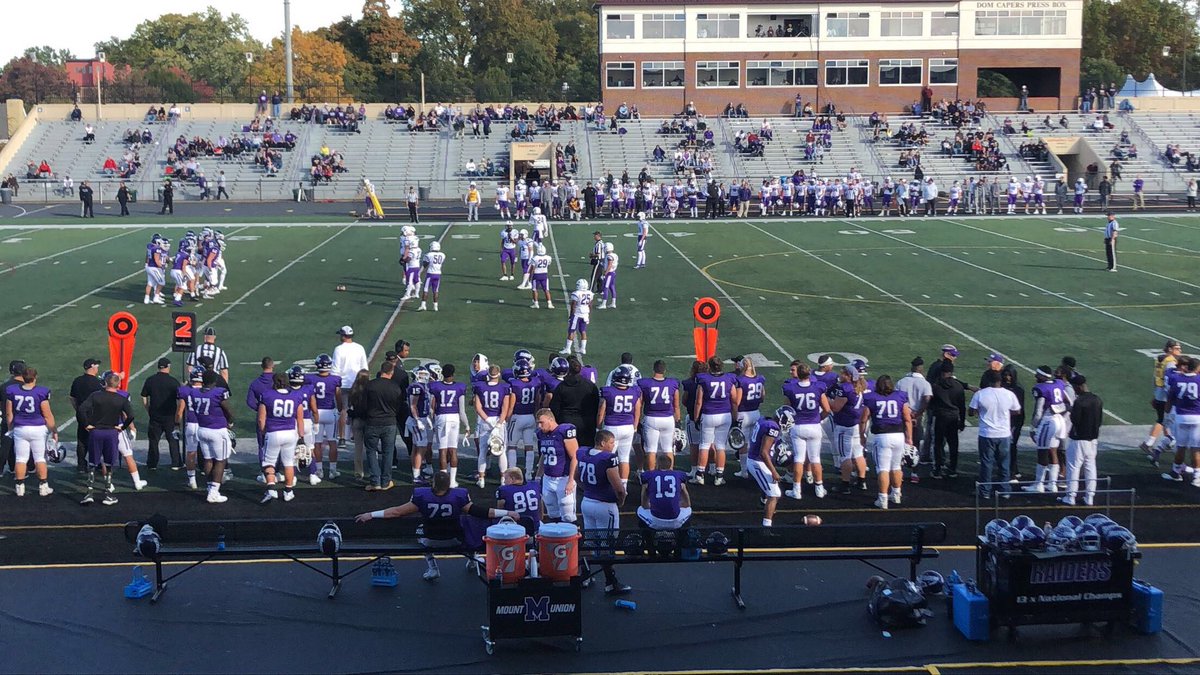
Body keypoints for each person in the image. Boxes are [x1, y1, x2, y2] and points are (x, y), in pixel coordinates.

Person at [355, 470, 470, 581]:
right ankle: (473, 559)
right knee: (469, 526)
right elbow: (477, 512)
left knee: (420, 530)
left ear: (433, 484)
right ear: (449, 485)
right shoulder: (459, 496)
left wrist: (371, 514)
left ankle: (433, 567)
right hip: (455, 540)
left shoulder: (423, 496)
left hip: (430, 540)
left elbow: (396, 512)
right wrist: (488, 512)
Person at [576, 429, 631, 595]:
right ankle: (610, 582)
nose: (613, 446)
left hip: (587, 503)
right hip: (604, 506)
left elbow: (577, 477)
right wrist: (620, 501)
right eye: (611, 443)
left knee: (590, 541)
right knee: (607, 545)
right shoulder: (607, 459)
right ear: (602, 443)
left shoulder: (584, 453)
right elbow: (619, 489)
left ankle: (585, 575)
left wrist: (588, 490)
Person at [76, 371, 137, 506]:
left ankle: (89, 493)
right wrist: (122, 427)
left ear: (105, 383)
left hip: (96, 432)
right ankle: (108, 494)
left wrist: (86, 424)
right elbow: (131, 415)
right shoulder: (121, 399)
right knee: (109, 463)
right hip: (111, 432)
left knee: (93, 463)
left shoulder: (95, 396)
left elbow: (81, 410)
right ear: (118, 384)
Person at [860, 375, 913, 510]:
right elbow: (907, 418)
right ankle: (896, 494)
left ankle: (883, 498)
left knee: (882, 468)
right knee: (896, 467)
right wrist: (909, 438)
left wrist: (862, 435)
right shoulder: (900, 396)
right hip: (898, 435)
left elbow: (864, 419)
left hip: (882, 436)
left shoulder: (871, 397)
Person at [780, 362, 831, 498]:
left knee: (798, 458)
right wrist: (817, 419)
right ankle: (819, 489)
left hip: (798, 426)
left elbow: (787, 410)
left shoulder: (790, 388)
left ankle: (796, 490)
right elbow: (827, 409)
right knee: (815, 458)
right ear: (809, 374)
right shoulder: (818, 387)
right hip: (814, 426)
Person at [4, 366, 57, 497]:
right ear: (35, 377)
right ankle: (43, 486)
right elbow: (47, 414)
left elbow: (9, 412)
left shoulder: (12, 390)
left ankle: (19, 487)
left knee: (21, 458)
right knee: (40, 458)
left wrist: (11, 428)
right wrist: (54, 430)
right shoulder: (41, 392)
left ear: (23, 377)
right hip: (37, 428)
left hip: (20, 428)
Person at [969, 371, 1021, 499]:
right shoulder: (1009, 394)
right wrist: (1004, 415)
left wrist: (981, 412)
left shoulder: (980, 394)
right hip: (1004, 433)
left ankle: (985, 491)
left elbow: (971, 412)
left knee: (987, 463)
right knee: (1004, 463)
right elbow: (1017, 410)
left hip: (987, 433)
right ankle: (1004, 491)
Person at [257, 371, 306, 503]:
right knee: (289, 463)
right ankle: (288, 491)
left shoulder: (267, 395)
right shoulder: (296, 396)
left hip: (273, 433)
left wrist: (263, 432)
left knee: (269, 462)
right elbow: (300, 419)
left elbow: (261, 419)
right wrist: (301, 436)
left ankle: (272, 489)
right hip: (290, 433)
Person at [186, 370, 235, 503]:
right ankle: (213, 492)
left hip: (202, 429)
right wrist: (230, 422)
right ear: (214, 381)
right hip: (217, 430)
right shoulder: (218, 392)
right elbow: (228, 410)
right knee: (220, 460)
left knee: (208, 460)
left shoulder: (194, 392)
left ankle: (210, 488)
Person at [692, 356, 739, 486]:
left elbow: (698, 401)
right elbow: (734, 401)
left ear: (710, 366)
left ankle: (700, 474)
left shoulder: (703, 379)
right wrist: (735, 418)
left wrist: (696, 417)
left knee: (705, 445)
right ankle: (719, 476)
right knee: (720, 446)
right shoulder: (729, 378)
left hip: (708, 415)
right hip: (725, 415)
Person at [1025, 366, 1070, 493]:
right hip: (1059, 421)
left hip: (1048, 421)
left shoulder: (1041, 389)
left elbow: (1039, 412)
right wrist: (1060, 412)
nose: (1035, 377)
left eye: (1038, 375)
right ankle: (1052, 484)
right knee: (1053, 451)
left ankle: (1038, 485)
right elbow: (1069, 404)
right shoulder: (1059, 384)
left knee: (1042, 452)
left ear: (1043, 376)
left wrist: (1033, 427)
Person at [361, 361, 404, 491]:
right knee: (388, 452)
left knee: (371, 451)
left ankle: (375, 481)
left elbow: (363, 405)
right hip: (389, 422)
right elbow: (399, 405)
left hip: (372, 422)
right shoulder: (395, 387)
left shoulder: (370, 385)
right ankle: (386, 481)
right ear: (391, 372)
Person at [597, 365, 641, 489]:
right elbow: (637, 409)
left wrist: (598, 426)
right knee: (624, 458)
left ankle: (605, 483)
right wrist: (635, 426)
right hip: (628, 427)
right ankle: (623, 486)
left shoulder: (608, 391)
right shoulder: (634, 391)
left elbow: (602, 411)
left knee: (606, 457)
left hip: (612, 427)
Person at [1061, 376, 1102, 506]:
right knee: (1090, 467)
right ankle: (1089, 497)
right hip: (1093, 439)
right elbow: (1099, 420)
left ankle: (1070, 496)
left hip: (1079, 440)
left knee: (1073, 468)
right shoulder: (1097, 399)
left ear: (1078, 387)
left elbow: (1075, 420)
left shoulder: (1079, 402)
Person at [535, 408, 579, 523]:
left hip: (563, 478)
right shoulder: (541, 434)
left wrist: (571, 480)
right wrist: (538, 476)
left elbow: (575, 456)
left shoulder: (563, 432)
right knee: (552, 513)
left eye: (541, 422)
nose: (539, 426)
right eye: (538, 423)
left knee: (568, 515)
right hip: (548, 478)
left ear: (550, 419)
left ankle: (572, 540)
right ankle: (556, 539)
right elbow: (544, 456)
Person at [742, 407, 784, 526]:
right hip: (758, 462)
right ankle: (766, 526)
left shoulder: (763, 420)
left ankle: (763, 501)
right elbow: (764, 453)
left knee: (768, 486)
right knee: (774, 494)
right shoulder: (773, 428)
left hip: (756, 460)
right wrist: (774, 471)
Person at [429, 363, 469, 487]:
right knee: (453, 450)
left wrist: (433, 420)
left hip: (441, 417)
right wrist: (467, 425)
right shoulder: (459, 387)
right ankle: (452, 481)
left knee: (442, 450)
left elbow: (431, 407)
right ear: (453, 374)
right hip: (454, 418)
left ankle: (442, 481)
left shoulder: (435, 386)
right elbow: (462, 411)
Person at [1143, 339, 1182, 462]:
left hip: (1159, 393)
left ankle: (1167, 441)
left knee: (1164, 420)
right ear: (1170, 349)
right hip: (1165, 395)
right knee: (1163, 420)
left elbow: (1156, 378)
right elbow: (1168, 381)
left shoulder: (1161, 359)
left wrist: (1155, 394)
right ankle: (1150, 443)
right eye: (1177, 348)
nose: (1180, 350)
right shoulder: (1171, 362)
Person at [472, 365, 511, 487]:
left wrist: (488, 420)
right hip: (499, 421)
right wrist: (498, 424)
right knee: (501, 451)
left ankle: (481, 479)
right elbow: (505, 408)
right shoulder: (504, 387)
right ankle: (503, 479)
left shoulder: (480, 387)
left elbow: (478, 408)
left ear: (488, 374)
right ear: (498, 374)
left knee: (483, 451)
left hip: (485, 421)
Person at [548, 357, 600, 447]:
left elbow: (554, 407)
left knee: (567, 451)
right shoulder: (590, 386)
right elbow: (596, 405)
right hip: (586, 423)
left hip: (566, 422)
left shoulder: (562, 386)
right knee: (585, 451)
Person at [140, 358, 181, 470]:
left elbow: (144, 396)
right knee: (173, 440)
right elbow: (180, 399)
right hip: (169, 416)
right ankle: (176, 463)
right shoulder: (173, 382)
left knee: (153, 441)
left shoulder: (150, 380)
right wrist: (178, 414)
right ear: (168, 367)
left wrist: (148, 409)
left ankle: (152, 463)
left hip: (155, 416)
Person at [1164, 357, 1200, 486]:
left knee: (1181, 447)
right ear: (1196, 368)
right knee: (1196, 448)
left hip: (1181, 417)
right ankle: (1197, 477)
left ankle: (1176, 472)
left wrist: (1166, 417)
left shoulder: (1176, 379)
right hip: (1197, 417)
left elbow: (1170, 400)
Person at [927, 362, 965, 479]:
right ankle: (952, 469)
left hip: (940, 417)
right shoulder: (958, 386)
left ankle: (937, 469)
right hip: (954, 418)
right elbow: (962, 406)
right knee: (953, 444)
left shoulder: (936, 386)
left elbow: (931, 404)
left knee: (938, 444)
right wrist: (962, 421)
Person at [896, 357, 932, 483]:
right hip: (917, 417)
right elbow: (927, 399)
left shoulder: (902, 382)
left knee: (901, 443)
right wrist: (918, 414)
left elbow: (897, 398)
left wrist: (906, 413)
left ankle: (898, 471)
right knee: (915, 446)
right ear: (921, 368)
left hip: (903, 416)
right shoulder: (925, 383)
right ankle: (914, 473)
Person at [332, 325, 369, 444]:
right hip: (357, 383)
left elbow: (335, 370)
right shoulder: (360, 348)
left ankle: (342, 437)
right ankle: (355, 434)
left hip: (343, 383)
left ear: (343, 336)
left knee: (343, 409)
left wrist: (335, 385)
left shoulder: (338, 349)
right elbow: (364, 367)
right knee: (357, 408)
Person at [69, 359, 104, 472]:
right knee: (96, 440)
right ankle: (96, 462)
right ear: (92, 367)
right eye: (96, 366)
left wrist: (78, 410)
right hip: (95, 415)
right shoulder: (98, 383)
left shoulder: (77, 381)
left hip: (81, 414)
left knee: (82, 440)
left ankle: (81, 465)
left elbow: (72, 398)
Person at [1001, 364, 1026, 481]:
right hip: (1004, 422)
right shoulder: (1001, 388)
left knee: (1011, 446)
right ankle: (1009, 469)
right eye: (1005, 375)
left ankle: (1013, 470)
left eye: (1009, 375)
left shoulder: (1018, 390)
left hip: (1014, 422)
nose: (1007, 378)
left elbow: (1018, 410)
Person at [562, 279, 594, 355]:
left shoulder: (576, 293)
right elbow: (590, 304)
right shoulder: (590, 293)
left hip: (577, 314)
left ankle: (568, 349)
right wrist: (589, 313)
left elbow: (573, 305)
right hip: (585, 314)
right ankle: (583, 349)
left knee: (571, 331)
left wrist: (571, 315)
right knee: (583, 331)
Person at [417, 241, 446, 311]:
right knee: (436, 291)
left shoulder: (429, 255)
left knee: (425, 289)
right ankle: (435, 306)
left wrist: (419, 273)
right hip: (438, 274)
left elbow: (425, 265)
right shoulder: (443, 255)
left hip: (430, 274)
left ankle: (423, 305)